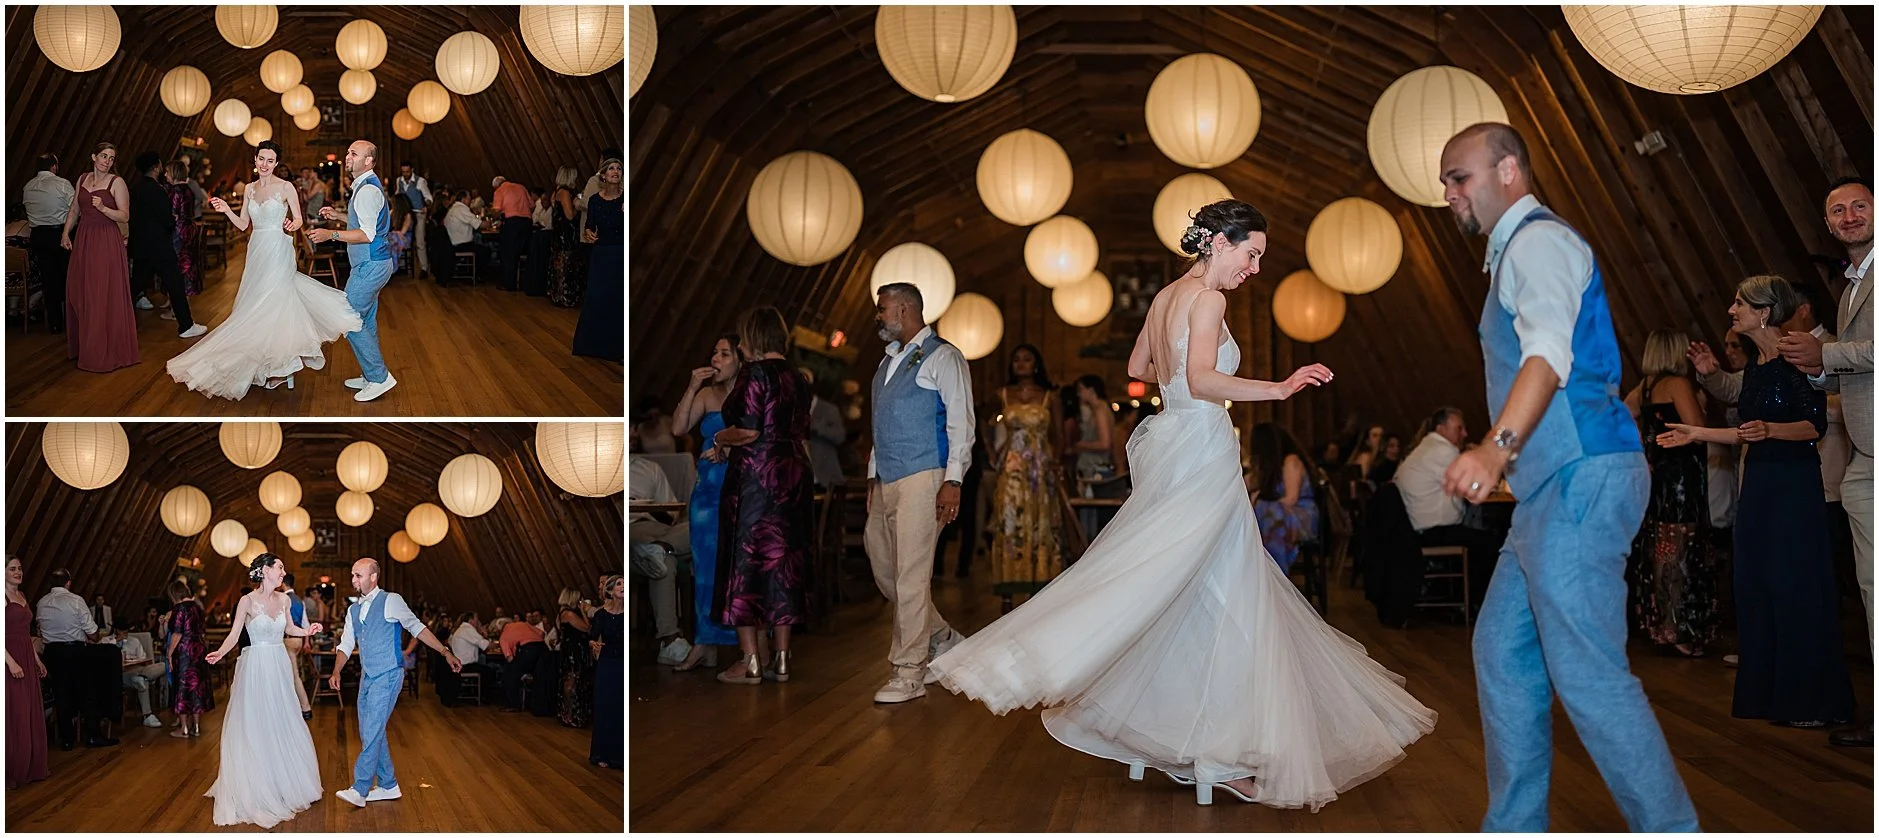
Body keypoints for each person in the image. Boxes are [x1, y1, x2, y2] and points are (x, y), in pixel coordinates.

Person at [930, 199, 1430, 809]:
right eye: (1252, 255)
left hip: (1171, 444)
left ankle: (1175, 740)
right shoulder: (1210, 300)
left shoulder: (1167, 296)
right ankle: (1218, 756)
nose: (1254, 269)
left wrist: (1182, 382)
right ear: (1220, 241)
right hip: (1202, 446)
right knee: (1227, 594)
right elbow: (1200, 379)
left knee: (1185, 590)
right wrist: (1277, 385)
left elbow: (1141, 367)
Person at [1435, 122, 1697, 830]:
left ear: (1509, 171)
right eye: (1445, 183)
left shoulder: (1539, 242)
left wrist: (1495, 448)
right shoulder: (1509, 254)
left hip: (1584, 476)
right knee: (1501, 651)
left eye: (1459, 177)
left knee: (1588, 676)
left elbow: (1547, 355)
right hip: (1550, 492)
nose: (1449, 194)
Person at [1658, 276, 1855, 728]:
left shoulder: (1795, 358)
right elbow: (1747, 431)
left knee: (1794, 587)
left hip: (1793, 486)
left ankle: (1808, 700)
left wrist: (1771, 431)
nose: (1731, 309)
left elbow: (1814, 426)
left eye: (1739, 303)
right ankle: (1768, 694)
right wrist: (1695, 433)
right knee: (1755, 584)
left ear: (1764, 312)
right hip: (1760, 486)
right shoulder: (1757, 368)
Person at [1778, 176, 1874, 750]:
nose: (1848, 215)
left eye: (1860, 205)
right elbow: (1848, 368)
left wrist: (1827, 351)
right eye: (1837, 210)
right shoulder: (1852, 285)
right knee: (1870, 591)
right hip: (1864, 453)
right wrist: (1814, 367)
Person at [168, 141, 362, 400]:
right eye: (261, 159)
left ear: (276, 164)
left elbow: (299, 219)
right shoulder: (249, 189)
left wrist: (292, 225)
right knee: (255, 303)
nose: (265, 164)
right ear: (255, 159)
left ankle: (280, 367)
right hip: (257, 248)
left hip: (278, 247)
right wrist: (227, 210)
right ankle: (264, 363)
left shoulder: (286, 187)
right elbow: (243, 225)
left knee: (276, 302)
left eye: (270, 161)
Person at [863, 284, 972, 703]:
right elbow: (880, 424)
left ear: (904, 309)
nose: (879, 316)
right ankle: (940, 634)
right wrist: (874, 476)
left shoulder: (943, 356)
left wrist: (953, 480)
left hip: (926, 475)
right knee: (884, 567)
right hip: (888, 477)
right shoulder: (887, 363)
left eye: (883, 308)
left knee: (911, 573)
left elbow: (961, 422)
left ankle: (909, 670)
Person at [710, 307, 815, 685]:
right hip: (794, 474)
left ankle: (751, 660)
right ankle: (783, 659)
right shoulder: (799, 378)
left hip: (757, 477)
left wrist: (721, 437)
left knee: (745, 563)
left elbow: (750, 431)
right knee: (784, 565)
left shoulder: (754, 374)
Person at [201, 555, 324, 828]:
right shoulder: (247, 601)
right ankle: (257, 784)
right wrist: (220, 653)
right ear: (265, 570)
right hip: (255, 665)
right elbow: (234, 635)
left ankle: (283, 782)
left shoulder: (284, 600)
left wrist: (308, 630)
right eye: (279, 567)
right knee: (256, 723)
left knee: (281, 719)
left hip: (278, 663)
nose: (283, 571)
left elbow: (290, 628)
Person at [326, 558, 462, 807]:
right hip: (368, 676)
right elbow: (346, 644)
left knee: (373, 729)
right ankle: (388, 785)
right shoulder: (353, 610)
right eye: (353, 575)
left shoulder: (392, 600)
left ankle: (361, 788)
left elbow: (417, 628)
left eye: (358, 575)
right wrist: (336, 670)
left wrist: (445, 652)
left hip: (389, 674)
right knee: (370, 730)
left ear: (373, 577)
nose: (353, 580)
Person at [1623, 330, 1716, 657]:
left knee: (1661, 550)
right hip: (1682, 479)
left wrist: (1643, 447)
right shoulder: (1677, 384)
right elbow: (1698, 430)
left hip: (1658, 478)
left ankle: (1662, 624)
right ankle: (1679, 630)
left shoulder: (1644, 387)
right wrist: (1702, 404)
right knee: (1680, 552)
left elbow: (1620, 415)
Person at [671, 335, 743, 671]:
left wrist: (730, 448)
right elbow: (678, 427)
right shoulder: (705, 395)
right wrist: (690, 388)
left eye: (724, 353)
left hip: (741, 488)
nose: (715, 358)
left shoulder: (748, 396)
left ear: (740, 359)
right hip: (707, 492)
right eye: (714, 351)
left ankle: (747, 646)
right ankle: (704, 641)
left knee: (738, 565)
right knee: (704, 566)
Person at [311, 139, 400, 402]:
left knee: (347, 318)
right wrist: (339, 215)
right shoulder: (363, 186)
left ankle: (379, 377)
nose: (347, 156)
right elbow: (363, 220)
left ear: (369, 161)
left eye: (354, 153)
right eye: (348, 152)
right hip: (369, 265)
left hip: (371, 265)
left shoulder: (368, 191)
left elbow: (366, 234)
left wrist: (331, 234)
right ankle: (370, 373)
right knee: (365, 320)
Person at [988, 344, 1063, 613]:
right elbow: (984, 425)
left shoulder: (1049, 397)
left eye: (1027, 359)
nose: (1021, 364)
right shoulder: (1002, 395)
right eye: (1016, 360)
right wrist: (992, 454)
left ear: (1036, 364)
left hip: (1040, 472)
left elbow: (1059, 436)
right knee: (1010, 524)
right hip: (1011, 471)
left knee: (1039, 524)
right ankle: (1008, 589)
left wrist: (1056, 463)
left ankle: (1038, 587)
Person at [59, 142, 138, 372]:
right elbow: (74, 209)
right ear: (94, 156)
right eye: (104, 156)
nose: (107, 161)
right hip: (83, 238)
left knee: (100, 293)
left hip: (105, 241)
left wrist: (104, 208)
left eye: (112, 158)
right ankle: (85, 346)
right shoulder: (82, 179)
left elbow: (124, 217)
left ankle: (102, 351)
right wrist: (65, 232)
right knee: (78, 291)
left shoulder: (117, 182)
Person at [127, 151, 203, 339]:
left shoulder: (135, 189)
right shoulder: (158, 190)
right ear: (156, 167)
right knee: (175, 285)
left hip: (140, 245)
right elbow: (167, 221)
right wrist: (172, 218)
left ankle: (112, 319)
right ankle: (186, 326)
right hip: (159, 246)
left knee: (134, 286)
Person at [1248, 422, 1318, 574]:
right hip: (1282, 513)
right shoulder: (1271, 467)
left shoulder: (1291, 461)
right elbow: (1248, 482)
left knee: (1267, 511)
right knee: (1256, 511)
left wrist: (1260, 501)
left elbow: (1291, 499)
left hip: (1301, 514)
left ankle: (1274, 572)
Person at [6, 556, 50, 789]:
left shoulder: (21, 596)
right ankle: (13, 768)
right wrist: (11, 663)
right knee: (15, 711)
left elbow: (25, 634)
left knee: (28, 709)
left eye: (20, 568)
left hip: (25, 654)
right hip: (9, 657)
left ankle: (30, 765)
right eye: (12, 568)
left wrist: (35, 659)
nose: (18, 572)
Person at [573, 158, 622, 361]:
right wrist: (589, 233)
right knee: (597, 296)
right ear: (603, 174)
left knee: (617, 298)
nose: (616, 171)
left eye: (619, 169)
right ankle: (593, 345)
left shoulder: (625, 200)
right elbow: (590, 226)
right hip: (601, 254)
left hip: (620, 253)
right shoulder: (594, 200)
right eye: (611, 168)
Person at [22, 153, 73, 332]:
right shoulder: (62, 184)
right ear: (54, 166)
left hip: (38, 237)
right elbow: (75, 210)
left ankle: (55, 324)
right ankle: (71, 321)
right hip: (59, 235)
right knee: (68, 277)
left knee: (48, 279)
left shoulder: (28, 186)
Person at [165, 578, 212, 739]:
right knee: (197, 688)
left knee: (182, 688)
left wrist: (169, 654)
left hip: (185, 651)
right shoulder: (198, 608)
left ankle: (184, 728)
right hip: (199, 649)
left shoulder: (179, 609)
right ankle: (197, 726)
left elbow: (177, 633)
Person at [589, 575, 624, 768]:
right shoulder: (601, 615)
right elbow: (592, 636)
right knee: (605, 704)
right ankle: (602, 753)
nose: (623, 586)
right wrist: (593, 644)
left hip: (622, 662)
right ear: (610, 591)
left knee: (620, 705)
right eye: (619, 584)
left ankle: (620, 754)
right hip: (607, 661)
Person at [394, 162, 432, 277]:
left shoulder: (420, 181)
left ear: (412, 170)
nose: (405, 174)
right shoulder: (399, 181)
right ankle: (401, 266)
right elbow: (398, 195)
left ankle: (424, 268)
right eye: (403, 172)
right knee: (401, 237)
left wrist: (426, 206)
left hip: (418, 213)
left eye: (407, 172)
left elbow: (428, 198)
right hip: (405, 215)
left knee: (419, 241)